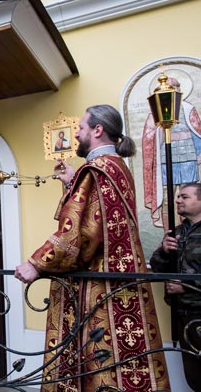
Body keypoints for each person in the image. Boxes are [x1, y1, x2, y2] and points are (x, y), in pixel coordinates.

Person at [14, 105, 170, 391]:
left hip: (101, 282)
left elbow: (79, 236)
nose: (77, 133)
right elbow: (103, 216)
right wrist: (74, 181)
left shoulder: (96, 170)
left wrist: (36, 263)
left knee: (99, 357)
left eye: (82, 128)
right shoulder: (117, 167)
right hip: (123, 278)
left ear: (98, 130)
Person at [150, 182, 201, 392]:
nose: (178, 200)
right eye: (178, 196)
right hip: (182, 312)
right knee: (194, 372)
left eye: (185, 197)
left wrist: (187, 287)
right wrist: (164, 250)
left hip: (199, 310)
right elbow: (157, 265)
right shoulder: (177, 232)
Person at [143, 76, 201, 228]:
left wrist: (199, 152)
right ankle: (169, 233)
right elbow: (149, 137)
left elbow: (197, 132)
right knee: (167, 198)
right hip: (165, 159)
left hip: (188, 158)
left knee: (188, 196)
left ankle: (188, 229)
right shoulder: (154, 112)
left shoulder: (188, 108)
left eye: (174, 89)